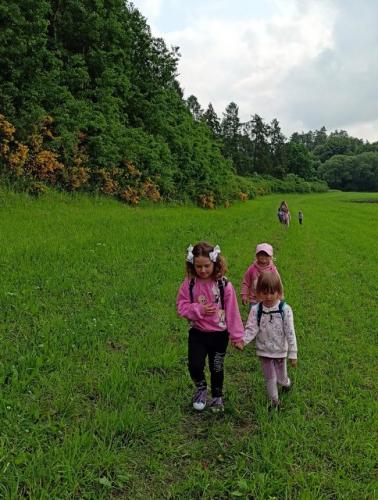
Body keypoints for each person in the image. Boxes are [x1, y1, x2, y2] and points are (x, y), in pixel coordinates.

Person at [177, 242, 244, 413]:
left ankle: (216, 396)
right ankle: (201, 388)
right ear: (192, 264)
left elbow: (232, 312)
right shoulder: (189, 284)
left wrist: (237, 337)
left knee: (217, 367)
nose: (203, 270)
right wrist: (198, 309)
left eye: (207, 266)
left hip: (219, 335)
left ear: (215, 263)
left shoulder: (224, 286)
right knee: (195, 365)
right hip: (198, 333)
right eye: (198, 266)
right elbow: (181, 306)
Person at [239, 271, 297, 409]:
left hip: (280, 350)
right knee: (270, 377)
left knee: (281, 378)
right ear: (258, 292)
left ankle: (286, 383)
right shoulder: (256, 310)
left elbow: (290, 332)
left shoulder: (285, 310)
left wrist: (293, 353)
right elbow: (251, 328)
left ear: (279, 292)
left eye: (272, 292)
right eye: (264, 293)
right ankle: (274, 401)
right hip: (264, 350)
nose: (269, 296)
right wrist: (243, 341)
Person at [241, 243, 280, 309]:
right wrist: (244, 295)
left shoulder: (272, 269)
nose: (263, 257)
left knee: (266, 317)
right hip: (254, 300)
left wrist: (279, 295)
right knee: (254, 317)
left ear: (271, 257)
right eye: (261, 254)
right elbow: (246, 282)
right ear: (257, 256)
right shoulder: (252, 269)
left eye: (266, 255)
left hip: (268, 299)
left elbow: (278, 283)